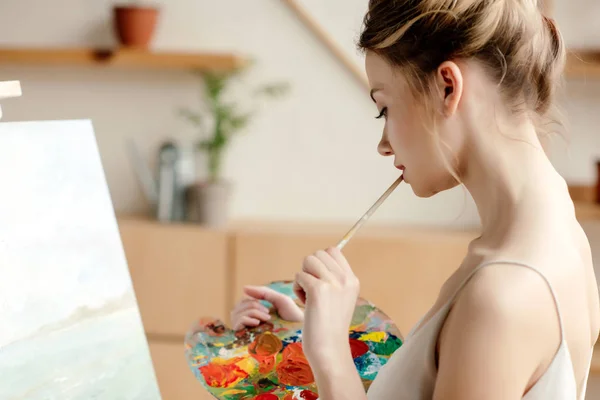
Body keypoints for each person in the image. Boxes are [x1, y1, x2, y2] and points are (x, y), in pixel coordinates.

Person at [230, 0, 600, 398]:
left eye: (384, 108)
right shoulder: (559, 229)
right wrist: (312, 336)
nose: (384, 145)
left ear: (447, 86)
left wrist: (330, 353)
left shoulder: (502, 296)